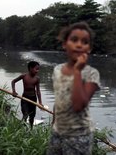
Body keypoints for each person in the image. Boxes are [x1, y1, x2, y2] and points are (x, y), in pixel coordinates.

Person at [47, 22, 101, 155]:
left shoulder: (92, 74)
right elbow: (59, 100)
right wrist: (54, 124)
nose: (79, 45)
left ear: (89, 48)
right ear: (64, 44)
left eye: (85, 42)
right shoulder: (57, 69)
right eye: (74, 39)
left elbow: (78, 106)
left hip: (79, 137)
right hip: (57, 132)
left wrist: (77, 71)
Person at [11, 61, 43, 129]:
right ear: (31, 68)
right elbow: (13, 81)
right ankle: (20, 129)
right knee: (25, 114)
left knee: (32, 116)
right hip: (25, 98)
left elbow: (38, 91)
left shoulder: (37, 79)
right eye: (36, 69)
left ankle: (30, 130)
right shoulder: (24, 76)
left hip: (33, 99)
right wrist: (14, 91)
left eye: (38, 69)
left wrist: (40, 102)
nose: (37, 71)